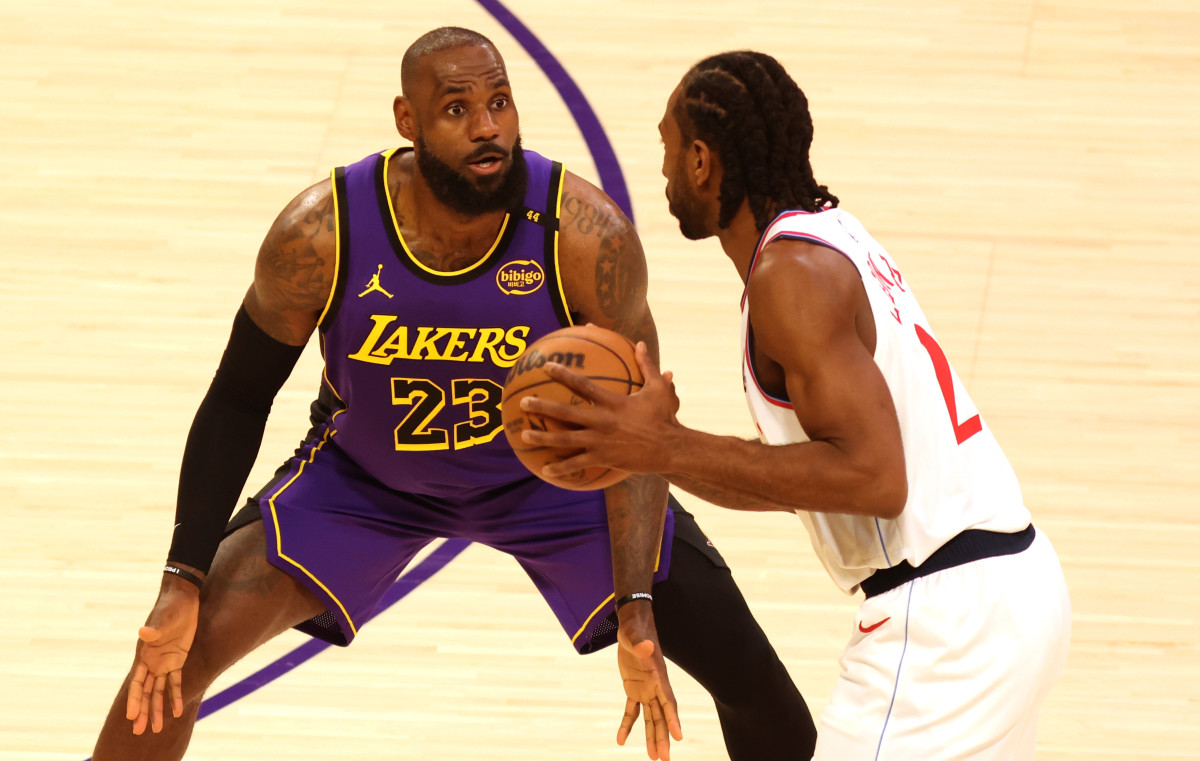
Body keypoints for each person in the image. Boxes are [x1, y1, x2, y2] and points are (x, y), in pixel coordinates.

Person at [90, 29, 818, 761]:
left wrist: (635, 607)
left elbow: (643, 433)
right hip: (366, 481)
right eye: (458, 108)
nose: (488, 127)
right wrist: (182, 576)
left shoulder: (584, 234)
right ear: (408, 122)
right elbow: (238, 397)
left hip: (559, 482)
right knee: (167, 661)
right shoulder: (322, 230)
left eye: (500, 101)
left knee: (765, 699)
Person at [521, 50, 1072, 760]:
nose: (660, 171)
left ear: (700, 159)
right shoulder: (829, 238)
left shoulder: (792, 278)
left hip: (945, 626)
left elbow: (874, 478)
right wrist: (657, 448)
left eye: (665, 146)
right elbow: (802, 474)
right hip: (1008, 586)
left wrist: (661, 445)